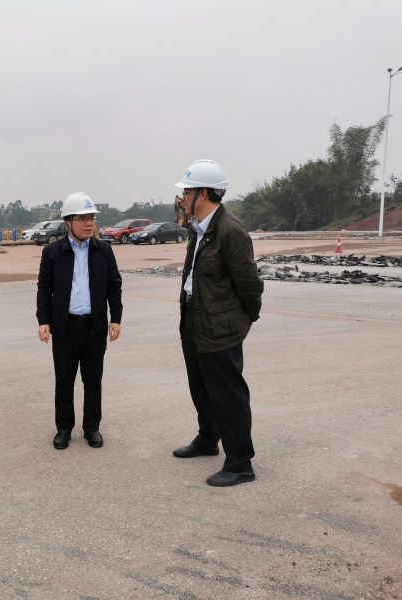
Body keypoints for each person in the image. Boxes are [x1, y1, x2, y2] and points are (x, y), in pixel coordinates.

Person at [173, 159, 263, 487]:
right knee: (200, 385)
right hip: (193, 317)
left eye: (187, 192)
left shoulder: (230, 231)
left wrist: (242, 319)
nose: (183, 198)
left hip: (219, 325)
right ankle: (208, 438)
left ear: (203, 193)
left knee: (228, 394)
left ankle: (240, 462)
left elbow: (249, 285)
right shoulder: (198, 228)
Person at [36, 193, 122, 450]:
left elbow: (114, 285)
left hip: (95, 326)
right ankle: (64, 429)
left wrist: (116, 318)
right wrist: (43, 320)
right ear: (68, 223)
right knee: (64, 381)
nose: (89, 223)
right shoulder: (53, 252)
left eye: (91, 218)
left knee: (93, 380)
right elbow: (44, 287)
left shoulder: (103, 251)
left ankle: (92, 428)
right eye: (82, 219)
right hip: (65, 327)